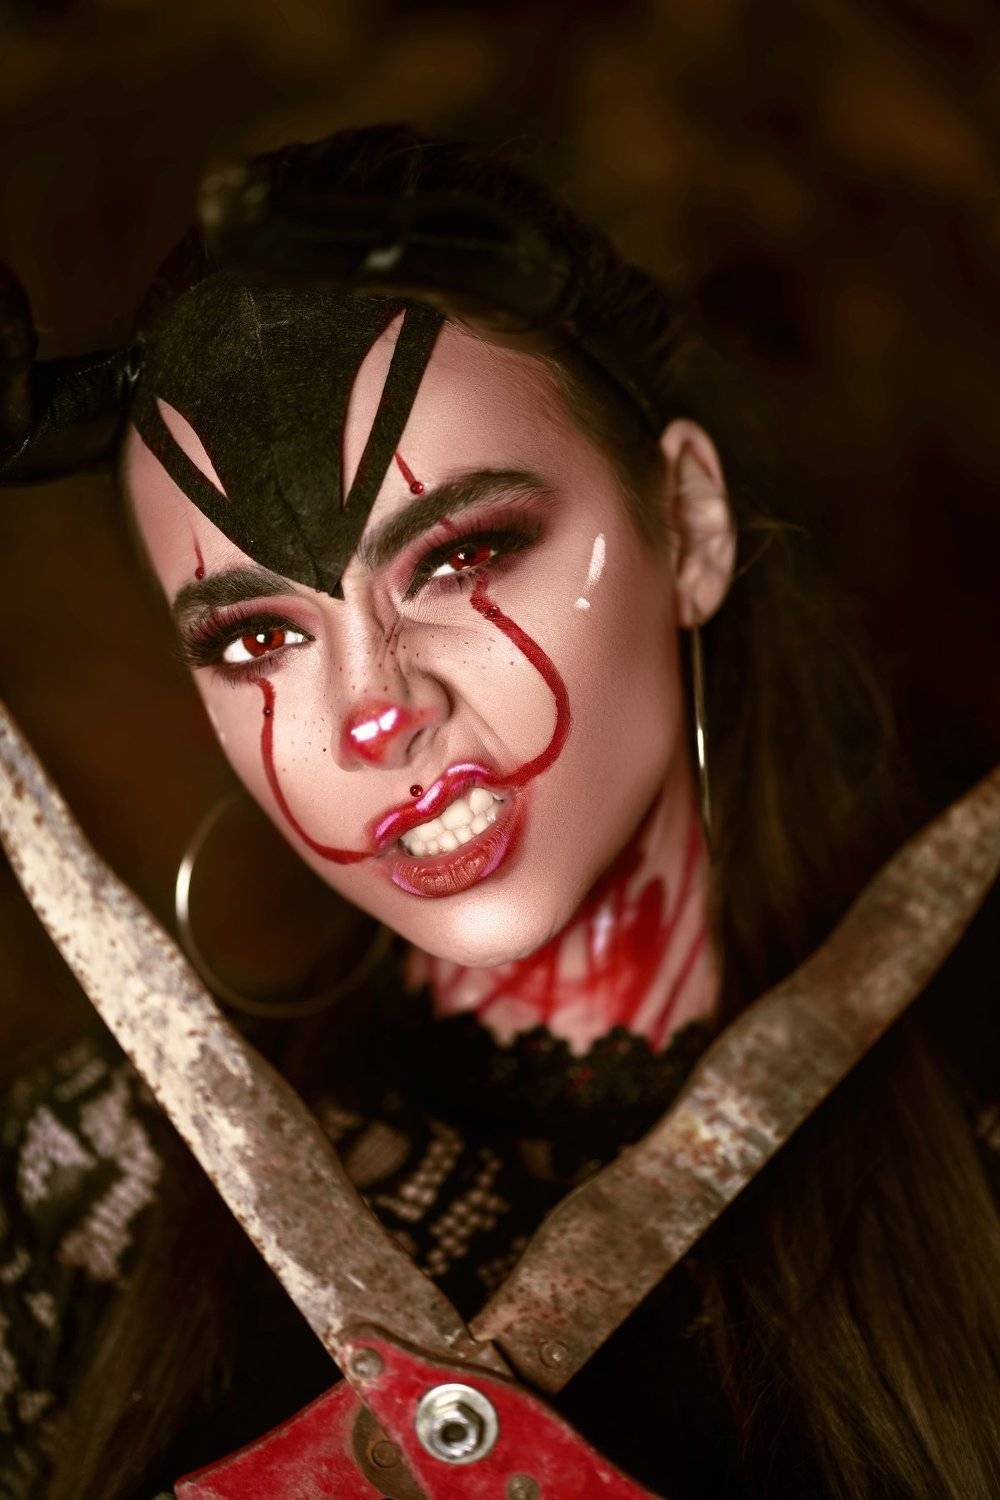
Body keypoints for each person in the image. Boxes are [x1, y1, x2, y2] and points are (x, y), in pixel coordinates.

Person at [1, 125, 998, 1500]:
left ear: (690, 523)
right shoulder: (85, 1190)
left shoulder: (978, 1134)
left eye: (463, 554)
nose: (375, 709)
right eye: (255, 638)